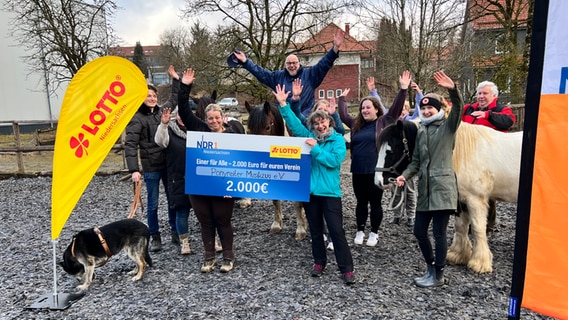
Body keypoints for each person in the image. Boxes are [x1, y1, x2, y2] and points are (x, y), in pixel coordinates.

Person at [273, 83, 355, 285]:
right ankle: (319, 262)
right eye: (316, 123)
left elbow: (333, 161)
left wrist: (315, 148)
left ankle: (347, 268)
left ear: (329, 122)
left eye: (323, 121)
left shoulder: (337, 141)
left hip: (330, 193)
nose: (320, 125)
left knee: (336, 231)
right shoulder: (308, 136)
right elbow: (294, 124)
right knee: (316, 231)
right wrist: (283, 104)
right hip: (310, 193)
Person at [394, 71, 463, 288]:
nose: (425, 111)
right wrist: (404, 177)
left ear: (438, 109)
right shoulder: (421, 131)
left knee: (439, 233)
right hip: (424, 189)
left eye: (429, 108)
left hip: (442, 189)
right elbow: (416, 161)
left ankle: (439, 275)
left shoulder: (447, 126)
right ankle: (431, 267)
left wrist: (453, 90)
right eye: (423, 108)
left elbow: (458, 110)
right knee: (419, 232)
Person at [177, 67, 245, 273]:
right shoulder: (200, 130)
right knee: (205, 222)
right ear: (206, 119)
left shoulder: (234, 135)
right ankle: (208, 257)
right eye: (210, 118)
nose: (214, 121)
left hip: (224, 187)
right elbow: (183, 110)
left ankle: (228, 256)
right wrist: (184, 87)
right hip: (199, 186)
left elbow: (243, 163)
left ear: (223, 118)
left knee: (223, 222)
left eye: (217, 118)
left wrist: (235, 189)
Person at [338, 71, 411, 247]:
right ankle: (360, 229)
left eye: (368, 107)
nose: (365, 110)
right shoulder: (356, 125)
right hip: (358, 169)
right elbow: (343, 116)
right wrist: (341, 100)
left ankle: (374, 232)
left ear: (376, 109)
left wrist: (403, 89)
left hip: (376, 171)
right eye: (363, 108)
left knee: (375, 202)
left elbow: (395, 108)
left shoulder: (383, 122)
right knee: (361, 202)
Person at [124, 65, 178, 252]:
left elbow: (175, 98)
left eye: (154, 95)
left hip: (167, 164)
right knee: (153, 203)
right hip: (152, 167)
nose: (152, 98)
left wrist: (175, 80)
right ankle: (154, 235)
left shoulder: (162, 112)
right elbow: (130, 145)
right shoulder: (137, 119)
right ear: (142, 98)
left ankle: (175, 231)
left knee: (173, 199)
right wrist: (134, 169)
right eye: (149, 96)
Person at [231, 29, 345, 118]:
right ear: (285, 65)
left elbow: (324, 64)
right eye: (289, 63)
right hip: (283, 119)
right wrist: (246, 62)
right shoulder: (277, 77)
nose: (292, 65)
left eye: (294, 63)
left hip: (304, 119)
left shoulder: (310, 75)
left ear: (299, 63)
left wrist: (335, 48)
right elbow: (261, 73)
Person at [462, 81, 516, 233]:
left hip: (492, 159)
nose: (480, 96)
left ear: (494, 96)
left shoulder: (502, 109)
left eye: (484, 93)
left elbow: (508, 122)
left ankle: (488, 226)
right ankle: (469, 223)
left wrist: (487, 115)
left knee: (488, 193)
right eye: (479, 93)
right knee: (468, 193)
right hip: (469, 159)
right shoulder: (468, 109)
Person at [154, 69, 192, 255]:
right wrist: (163, 124)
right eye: (180, 115)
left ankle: (212, 239)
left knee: (206, 211)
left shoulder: (197, 130)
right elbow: (159, 141)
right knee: (182, 211)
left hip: (198, 178)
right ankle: (184, 241)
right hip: (178, 178)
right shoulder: (169, 131)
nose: (182, 118)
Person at [389, 81, 423, 226]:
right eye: (400, 109)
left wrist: (418, 94)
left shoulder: (410, 121)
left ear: (408, 110)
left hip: (407, 161)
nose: (402, 111)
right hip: (395, 162)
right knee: (395, 190)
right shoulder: (393, 122)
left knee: (409, 190)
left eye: (405, 109)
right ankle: (397, 214)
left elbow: (421, 110)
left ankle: (411, 215)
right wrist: (373, 93)